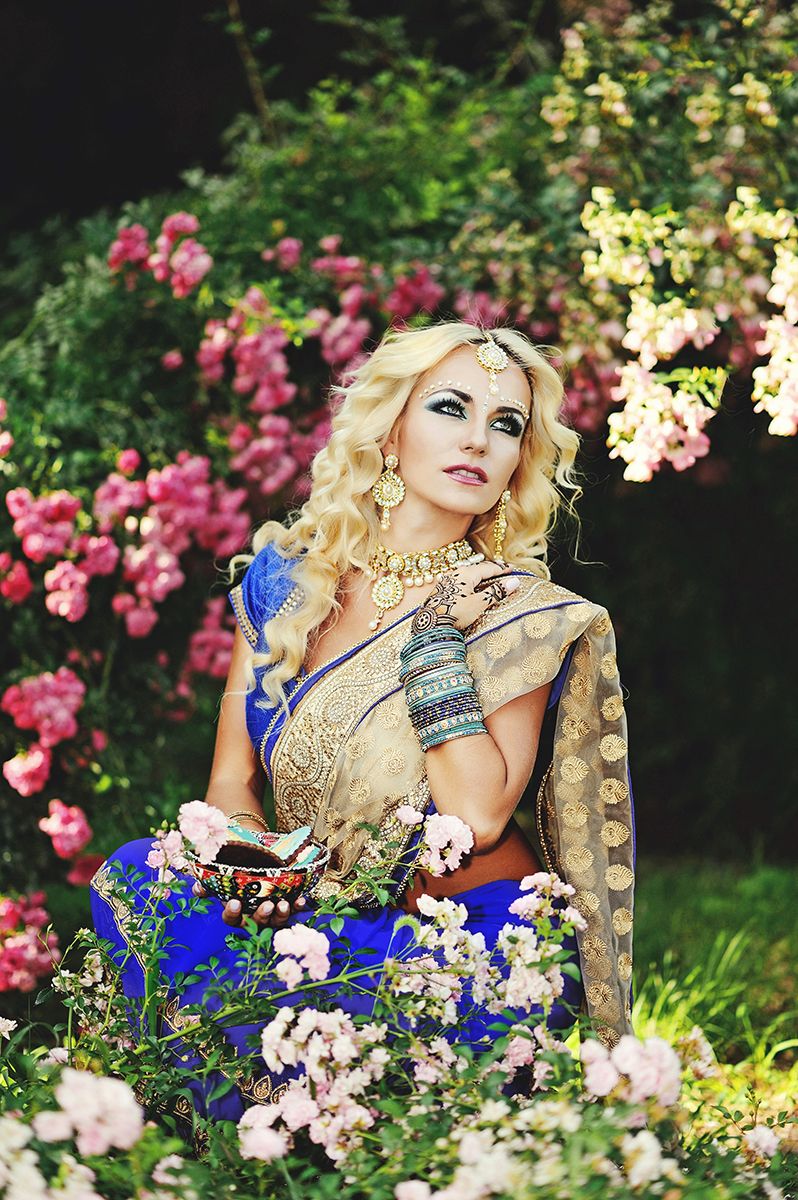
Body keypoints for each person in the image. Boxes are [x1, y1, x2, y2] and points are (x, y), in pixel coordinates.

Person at [90, 321, 635, 1121]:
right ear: (389, 427)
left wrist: (436, 641)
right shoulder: (290, 581)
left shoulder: (518, 611)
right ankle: (269, 1138)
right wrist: (258, 868)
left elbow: (477, 816)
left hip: (466, 952)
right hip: (314, 913)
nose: (478, 440)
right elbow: (231, 781)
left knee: (293, 1000)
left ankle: (303, 1129)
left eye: (506, 424)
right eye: (450, 408)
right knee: (140, 877)